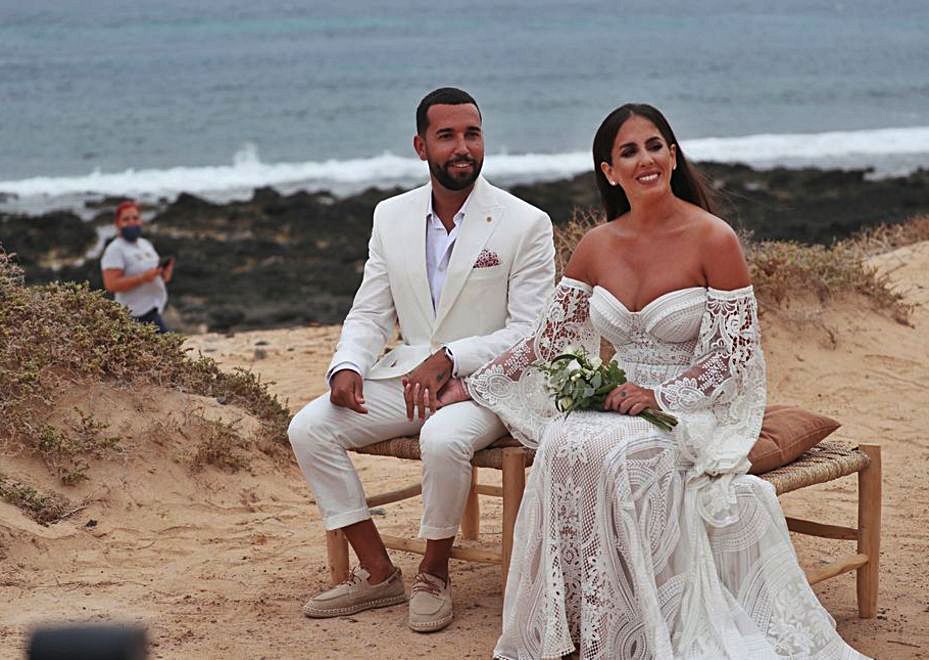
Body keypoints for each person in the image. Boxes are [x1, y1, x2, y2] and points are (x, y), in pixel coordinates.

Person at [438, 104, 867, 658]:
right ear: (609, 171)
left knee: (621, 457)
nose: (646, 160)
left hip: (691, 402)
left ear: (672, 155)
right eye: (629, 151)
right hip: (618, 398)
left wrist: (661, 395)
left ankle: (638, 629)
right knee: (563, 443)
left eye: (655, 146)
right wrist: (471, 384)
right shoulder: (596, 245)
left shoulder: (713, 239)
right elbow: (549, 341)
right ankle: (577, 624)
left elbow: (735, 357)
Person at [287, 87, 556, 632]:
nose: (463, 147)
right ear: (420, 145)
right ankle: (379, 571)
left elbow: (531, 332)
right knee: (309, 427)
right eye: (448, 135)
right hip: (407, 376)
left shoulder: (525, 223)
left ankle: (433, 573)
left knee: (443, 440)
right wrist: (346, 366)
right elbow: (370, 311)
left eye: (472, 134)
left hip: (489, 384)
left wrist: (452, 356)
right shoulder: (390, 217)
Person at [100, 201, 173, 333]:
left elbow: (159, 277)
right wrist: (142, 278)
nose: (132, 222)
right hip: (131, 315)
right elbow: (111, 285)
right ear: (117, 224)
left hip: (153, 309)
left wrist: (164, 272)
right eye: (126, 219)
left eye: (135, 218)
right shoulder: (115, 249)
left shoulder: (145, 244)